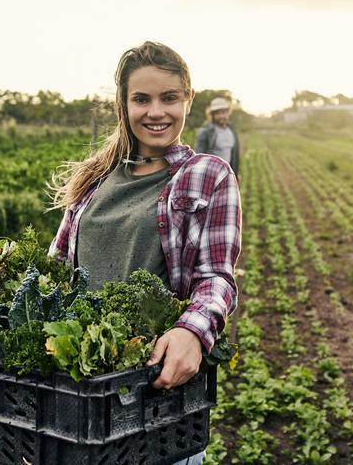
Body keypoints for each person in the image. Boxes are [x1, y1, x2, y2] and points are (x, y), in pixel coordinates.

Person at [48, 41, 241, 465]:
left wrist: (192, 331)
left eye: (169, 98)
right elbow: (54, 270)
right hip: (79, 391)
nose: (156, 111)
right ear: (124, 104)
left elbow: (216, 277)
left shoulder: (207, 175)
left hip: (154, 395)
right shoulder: (95, 180)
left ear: (189, 100)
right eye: (142, 99)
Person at [194, 97, 240, 176]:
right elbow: (199, 158)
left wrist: (236, 174)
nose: (221, 116)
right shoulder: (206, 131)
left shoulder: (232, 130)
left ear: (228, 112)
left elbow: (234, 154)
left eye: (223, 112)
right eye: (218, 113)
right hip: (212, 174)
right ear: (212, 115)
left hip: (228, 174)